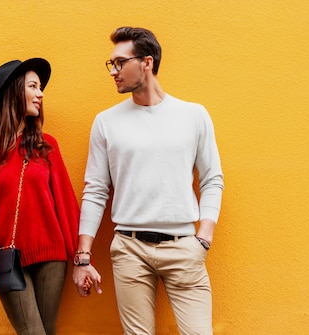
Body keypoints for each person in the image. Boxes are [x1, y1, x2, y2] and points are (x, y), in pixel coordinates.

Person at [72, 27, 224, 335]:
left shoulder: (193, 115)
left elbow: (212, 179)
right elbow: (96, 190)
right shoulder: (106, 122)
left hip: (183, 247)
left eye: (119, 62)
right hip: (129, 248)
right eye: (110, 64)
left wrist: (203, 239)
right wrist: (83, 257)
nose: (113, 71)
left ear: (146, 62)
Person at [0, 58, 80, 335]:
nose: (40, 94)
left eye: (40, 88)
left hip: (52, 256)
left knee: (47, 331)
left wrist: (81, 259)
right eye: (33, 86)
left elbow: (66, 204)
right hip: (8, 258)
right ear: (13, 90)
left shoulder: (46, 144)